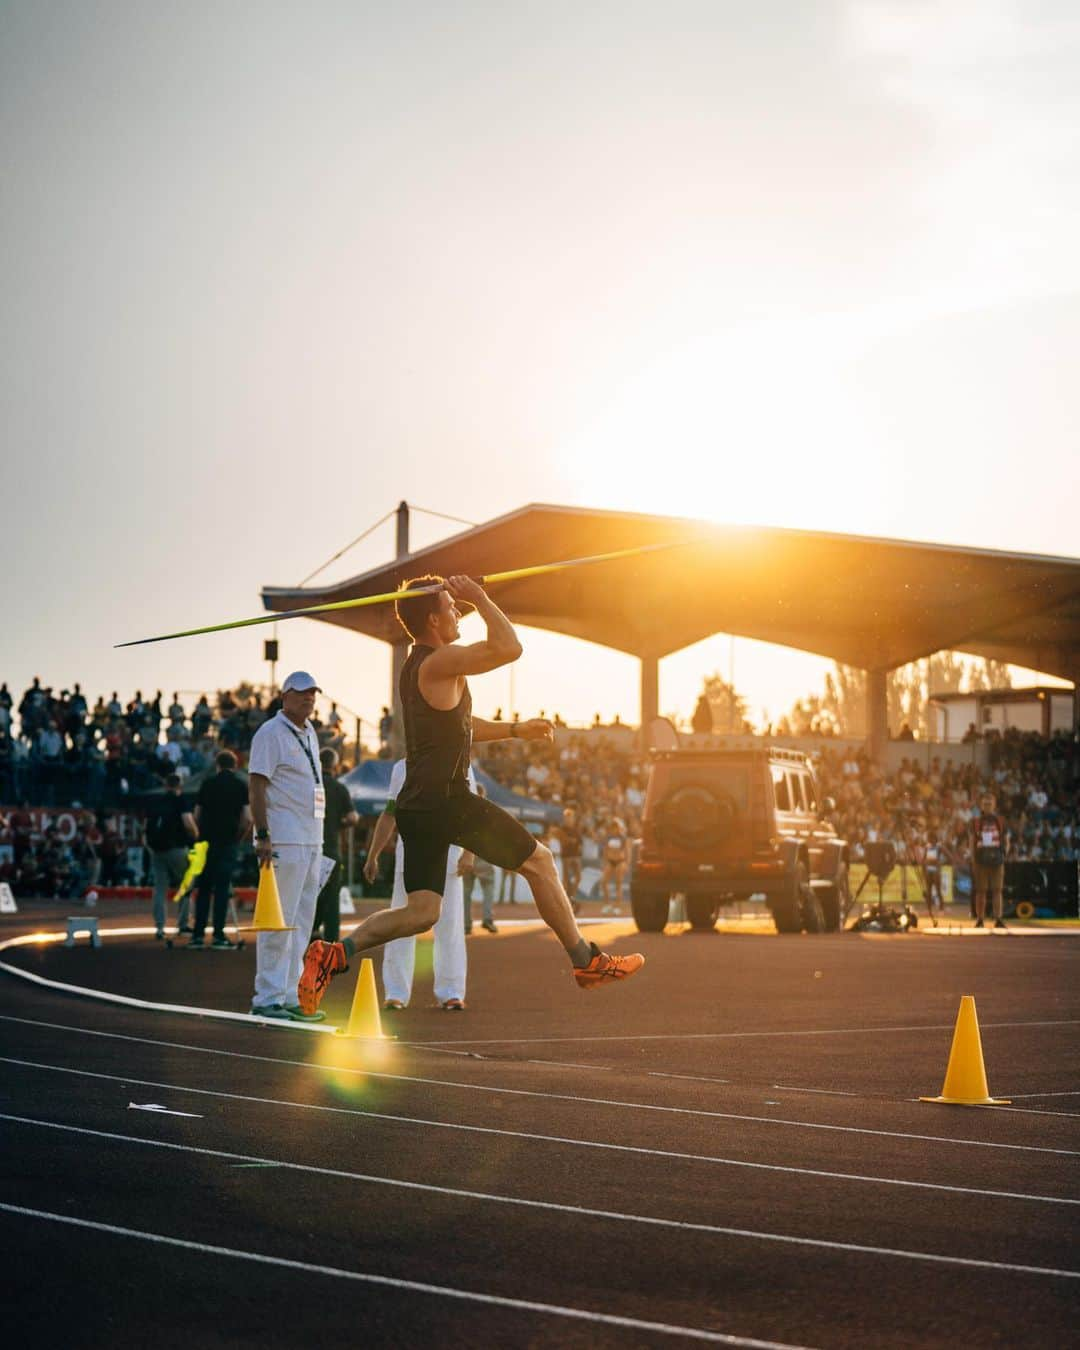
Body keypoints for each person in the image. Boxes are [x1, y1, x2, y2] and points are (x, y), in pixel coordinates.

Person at [299, 575, 643, 1015]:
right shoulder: (438, 661)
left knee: (421, 912)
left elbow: (463, 725)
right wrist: (479, 597)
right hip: (446, 802)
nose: (458, 611)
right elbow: (509, 648)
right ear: (432, 619)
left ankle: (334, 953)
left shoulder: (423, 669)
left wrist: (515, 731)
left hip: (419, 806)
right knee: (539, 860)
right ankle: (586, 961)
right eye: (450, 606)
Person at [248, 671, 329, 1021]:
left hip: (311, 839)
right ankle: (266, 997)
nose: (308, 699)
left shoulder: (310, 732)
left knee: (301, 924)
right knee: (277, 922)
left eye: (312, 693)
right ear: (285, 696)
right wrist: (263, 834)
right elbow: (256, 784)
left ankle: (292, 995)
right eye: (301, 693)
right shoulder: (270, 733)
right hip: (284, 838)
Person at [365, 757, 470, 1009]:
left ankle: (451, 992)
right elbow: (390, 813)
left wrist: (470, 853)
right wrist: (373, 854)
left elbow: (469, 813)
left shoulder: (461, 763)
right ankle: (396, 992)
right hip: (411, 849)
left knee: (450, 923)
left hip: (450, 851)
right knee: (402, 919)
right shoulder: (402, 767)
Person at [189, 749, 251, 949]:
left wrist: (200, 836)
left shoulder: (207, 784)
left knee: (204, 888)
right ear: (235, 766)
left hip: (207, 842)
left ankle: (198, 935)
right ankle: (218, 935)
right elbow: (247, 819)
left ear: (217, 765)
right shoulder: (240, 785)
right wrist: (238, 838)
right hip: (227, 842)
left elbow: (196, 815)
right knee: (223, 889)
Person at [310, 747, 359, 942]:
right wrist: (341, 824)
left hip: (310, 848)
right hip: (330, 849)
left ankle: (309, 932)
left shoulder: (311, 785)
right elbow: (352, 817)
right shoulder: (339, 788)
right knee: (332, 897)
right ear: (335, 766)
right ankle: (332, 940)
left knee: (308, 894)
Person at [144, 773, 197, 940]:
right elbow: (188, 822)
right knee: (186, 885)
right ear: (179, 786)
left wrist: (151, 848)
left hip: (157, 850)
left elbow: (145, 829)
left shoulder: (156, 801)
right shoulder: (180, 800)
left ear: (166, 785)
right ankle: (183, 924)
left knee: (159, 889)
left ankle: (159, 927)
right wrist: (197, 836)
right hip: (176, 848)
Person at [459, 782, 497, 935]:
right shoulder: (488, 812)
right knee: (488, 888)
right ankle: (487, 919)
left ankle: (466, 924)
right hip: (483, 857)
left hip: (465, 856)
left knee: (466, 892)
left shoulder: (462, 811)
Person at [971, 790, 1009, 929]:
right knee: (981, 891)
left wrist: (1004, 854)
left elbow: (1005, 838)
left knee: (997, 890)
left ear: (994, 805)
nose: (987, 806)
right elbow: (972, 840)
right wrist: (973, 859)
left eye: (989, 803)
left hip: (997, 859)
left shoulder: (1000, 820)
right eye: (985, 804)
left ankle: (998, 918)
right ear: (981, 805)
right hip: (980, 859)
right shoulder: (976, 821)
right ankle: (980, 919)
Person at [600, 816, 629, 914]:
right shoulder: (608, 837)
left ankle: (617, 906)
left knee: (618, 883)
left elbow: (626, 851)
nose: (614, 829)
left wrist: (626, 863)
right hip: (610, 861)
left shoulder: (623, 838)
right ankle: (607, 904)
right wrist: (604, 862)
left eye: (616, 827)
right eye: (612, 827)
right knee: (604, 882)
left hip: (620, 862)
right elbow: (605, 851)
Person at [556, 805, 583, 913]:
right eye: (567, 817)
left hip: (576, 855)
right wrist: (570, 841)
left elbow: (579, 842)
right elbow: (565, 841)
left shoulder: (576, 830)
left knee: (578, 877)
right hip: (566, 856)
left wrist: (573, 842)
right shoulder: (561, 829)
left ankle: (571, 896)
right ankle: (566, 899)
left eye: (570, 817)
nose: (569, 819)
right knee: (566, 879)